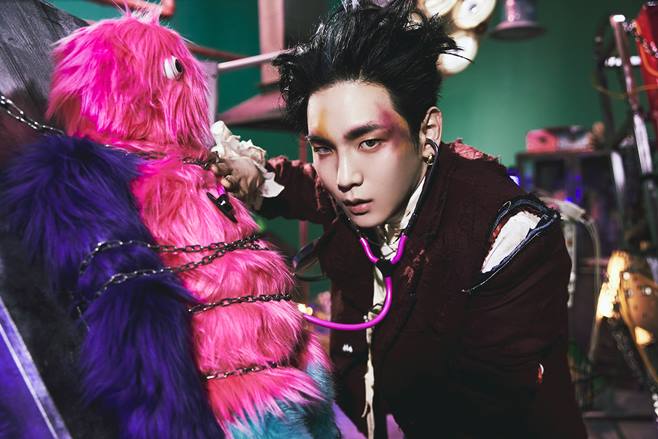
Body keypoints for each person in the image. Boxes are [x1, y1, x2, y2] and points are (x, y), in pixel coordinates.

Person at [214, 1, 586, 437]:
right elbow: (300, 184)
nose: (345, 178)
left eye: (369, 142)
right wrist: (248, 173)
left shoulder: (507, 235)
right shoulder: (357, 190)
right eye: (325, 148)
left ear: (427, 133)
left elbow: (488, 414)